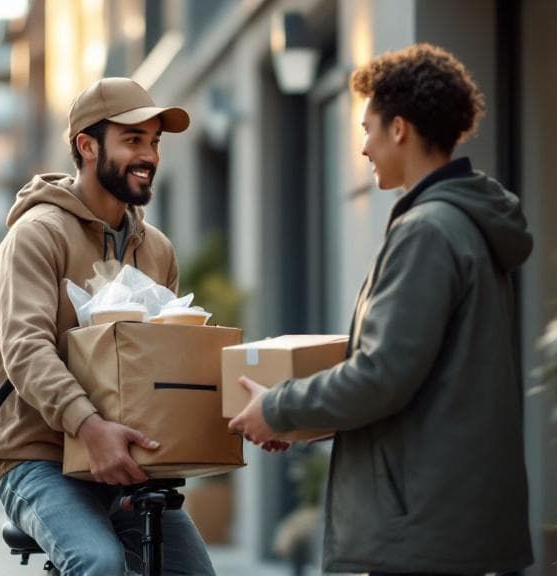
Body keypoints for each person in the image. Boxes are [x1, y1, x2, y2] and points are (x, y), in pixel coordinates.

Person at [229, 44, 534, 574]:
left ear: (399, 129)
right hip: (444, 516)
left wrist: (277, 408)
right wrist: (299, 422)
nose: (364, 147)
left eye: (367, 129)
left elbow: (381, 375)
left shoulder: (427, 232)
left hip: (422, 525)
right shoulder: (461, 225)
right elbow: (423, 382)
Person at [0, 77, 215, 575]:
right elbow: (26, 350)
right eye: (133, 140)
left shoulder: (158, 250)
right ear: (87, 146)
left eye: (154, 142)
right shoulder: (37, 236)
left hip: (127, 460)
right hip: (38, 456)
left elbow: (164, 359)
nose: (149, 155)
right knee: (99, 562)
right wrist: (88, 425)